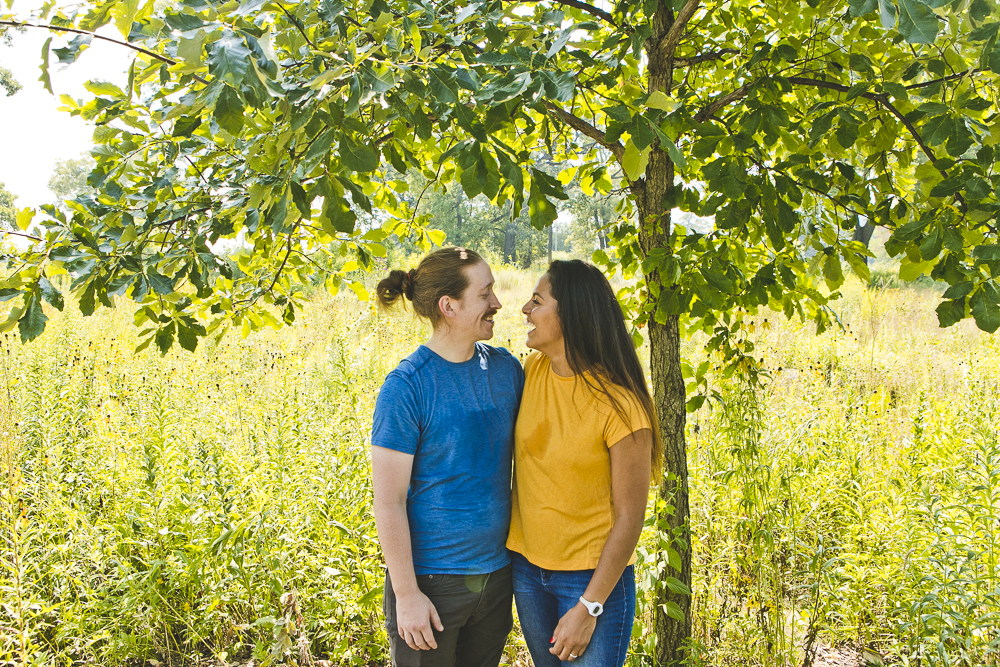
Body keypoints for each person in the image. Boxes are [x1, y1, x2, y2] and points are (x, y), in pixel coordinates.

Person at [370, 247, 524, 667]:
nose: (497, 303)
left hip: (496, 577)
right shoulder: (407, 387)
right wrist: (407, 595)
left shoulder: (507, 370)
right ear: (449, 306)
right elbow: (388, 500)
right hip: (431, 586)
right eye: (485, 293)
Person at [508, 260, 662, 666]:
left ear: (571, 313)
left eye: (537, 300)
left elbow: (631, 517)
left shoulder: (620, 405)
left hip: (592, 582)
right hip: (527, 571)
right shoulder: (532, 369)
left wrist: (590, 606)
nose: (525, 308)